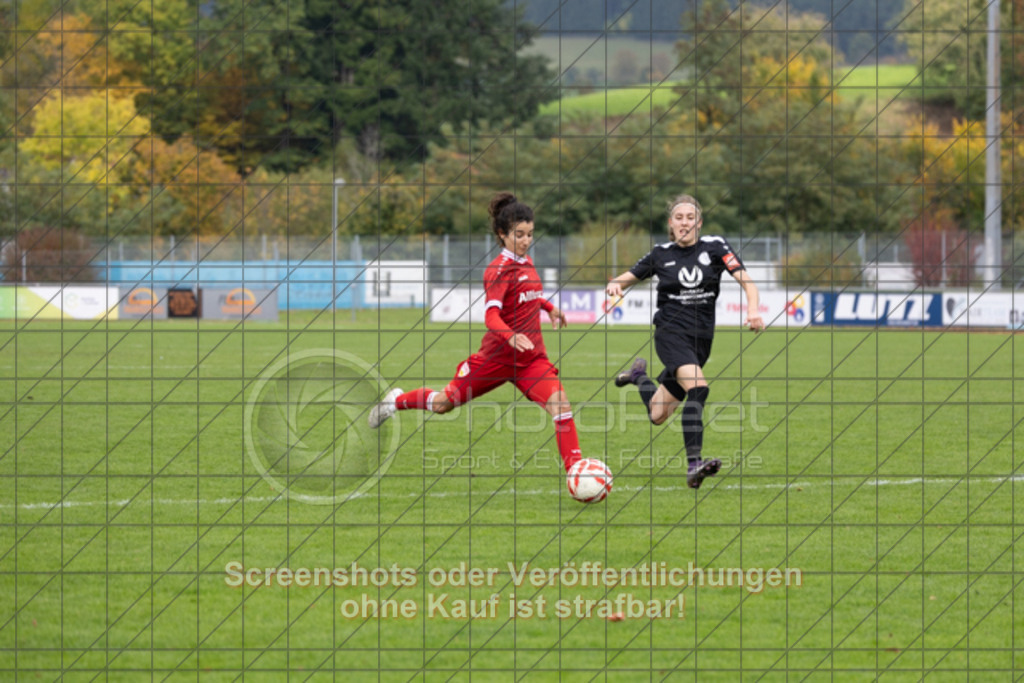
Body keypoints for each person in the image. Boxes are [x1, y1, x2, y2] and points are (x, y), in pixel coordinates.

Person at [368, 192, 585, 474]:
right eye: (519, 235)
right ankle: (396, 401)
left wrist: (548, 307)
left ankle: (577, 472)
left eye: (530, 234)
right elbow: (491, 316)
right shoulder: (498, 271)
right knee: (444, 404)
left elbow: (526, 296)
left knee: (561, 405)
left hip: (531, 360)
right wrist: (510, 336)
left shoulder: (527, 263)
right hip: (495, 358)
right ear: (502, 234)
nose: (526, 241)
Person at [605, 194, 765, 489]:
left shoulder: (716, 247)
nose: (684, 222)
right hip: (670, 333)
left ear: (699, 223)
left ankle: (638, 377)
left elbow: (747, 282)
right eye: (679, 218)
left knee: (657, 414)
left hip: (701, 340)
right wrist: (615, 284)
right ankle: (694, 465)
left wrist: (753, 310)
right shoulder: (660, 254)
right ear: (671, 223)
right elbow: (625, 278)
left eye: (690, 217)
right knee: (699, 389)